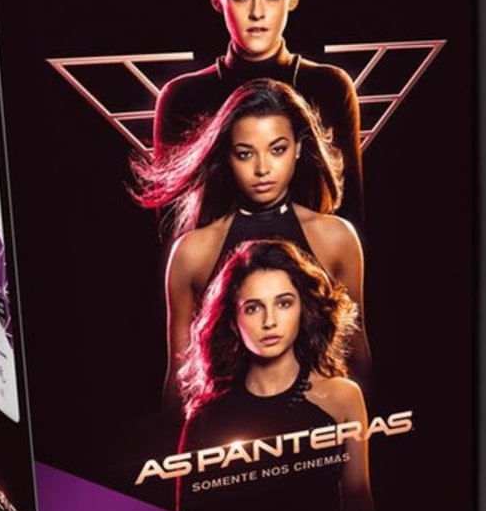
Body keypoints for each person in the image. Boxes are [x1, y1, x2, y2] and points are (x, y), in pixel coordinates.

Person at [134, 79, 368, 408]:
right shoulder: (193, 252)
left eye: (277, 149)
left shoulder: (335, 238)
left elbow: (357, 358)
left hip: (317, 427)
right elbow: (179, 381)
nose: (262, 168)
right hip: (229, 429)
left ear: (298, 148)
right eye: (245, 154)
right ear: (228, 156)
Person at [154, 0, 365, 227]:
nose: (257, 12)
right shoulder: (183, 98)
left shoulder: (328, 88)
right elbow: (171, 233)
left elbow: (350, 221)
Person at [176, 239, 374, 511]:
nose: (270, 321)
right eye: (253, 308)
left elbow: (359, 508)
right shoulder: (205, 419)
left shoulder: (342, 398)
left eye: (284, 303)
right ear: (233, 322)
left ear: (302, 309)